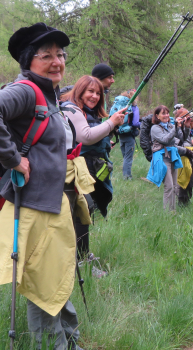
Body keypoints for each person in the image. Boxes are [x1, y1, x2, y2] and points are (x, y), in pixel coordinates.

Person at [0, 23, 108, 350]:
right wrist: (13, 159)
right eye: (46, 55)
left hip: (54, 203)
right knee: (43, 288)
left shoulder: (50, 95)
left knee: (57, 278)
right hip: (35, 207)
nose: (56, 61)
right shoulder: (28, 91)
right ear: (28, 61)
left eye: (60, 55)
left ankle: (71, 348)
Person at [60, 76, 126, 262]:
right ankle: (80, 260)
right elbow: (86, 137)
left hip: (81, 169)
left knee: (84, 211)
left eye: (98, 93)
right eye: (90, 91)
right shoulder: (70, 109)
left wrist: (109, 132)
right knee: (82, 211)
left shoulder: (85, 111)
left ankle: (80, 258)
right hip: (70, 170)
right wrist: (111, 122)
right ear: (79, 91)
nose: (95, 96)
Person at [147, 105, 185, 211]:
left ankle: (172, 211)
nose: (166, 115)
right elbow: (166, 140)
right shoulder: (154, 128)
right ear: (157, 116)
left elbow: (180, 139)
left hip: (172, 157)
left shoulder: (170, 126)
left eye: (167, 113)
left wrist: (183, 126)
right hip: (161, 158)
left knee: (175, 186)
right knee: (169, 186)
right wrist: (175, 128)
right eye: (163, 113)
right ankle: (167, 213)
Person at [173, 108, 193, 205]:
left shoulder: (183, 128)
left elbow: (184, 138)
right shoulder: (174, 127)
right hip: (181, 156)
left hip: (186, 156)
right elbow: (180, 141)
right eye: (186, 118)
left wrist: (187, 127)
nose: (189, 121)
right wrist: (179, 126)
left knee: (189, 180)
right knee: (183, 180)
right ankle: (181, 201)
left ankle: (186, 201)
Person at [116, 90, 141, 180]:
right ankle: (127, 177)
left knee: (125, 156)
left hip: (121, 133)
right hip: (129, 134)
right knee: (128, 157)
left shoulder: (122, 106)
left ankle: (125, 174)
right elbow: (135, 123)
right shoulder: (134, 107)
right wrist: (142, 125)